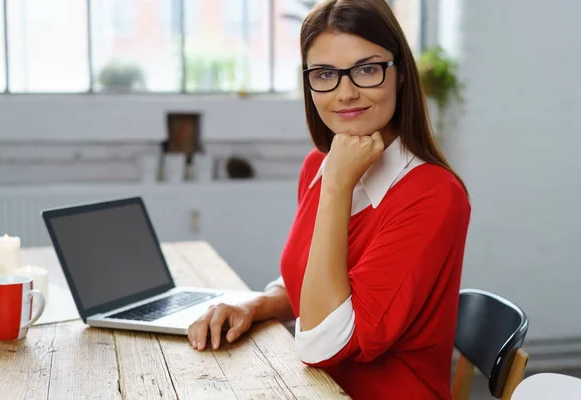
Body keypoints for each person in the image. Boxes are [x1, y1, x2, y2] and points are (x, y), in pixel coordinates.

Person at [188, 0, 471, 398]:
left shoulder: (433, 195)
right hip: (312, 389)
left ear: (401, 74)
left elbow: (324, 344)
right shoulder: (320, 166)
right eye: (325, 74)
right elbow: (310, 286)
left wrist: (338, 185)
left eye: (367, 69)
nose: (346, 93)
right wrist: (255, 306)